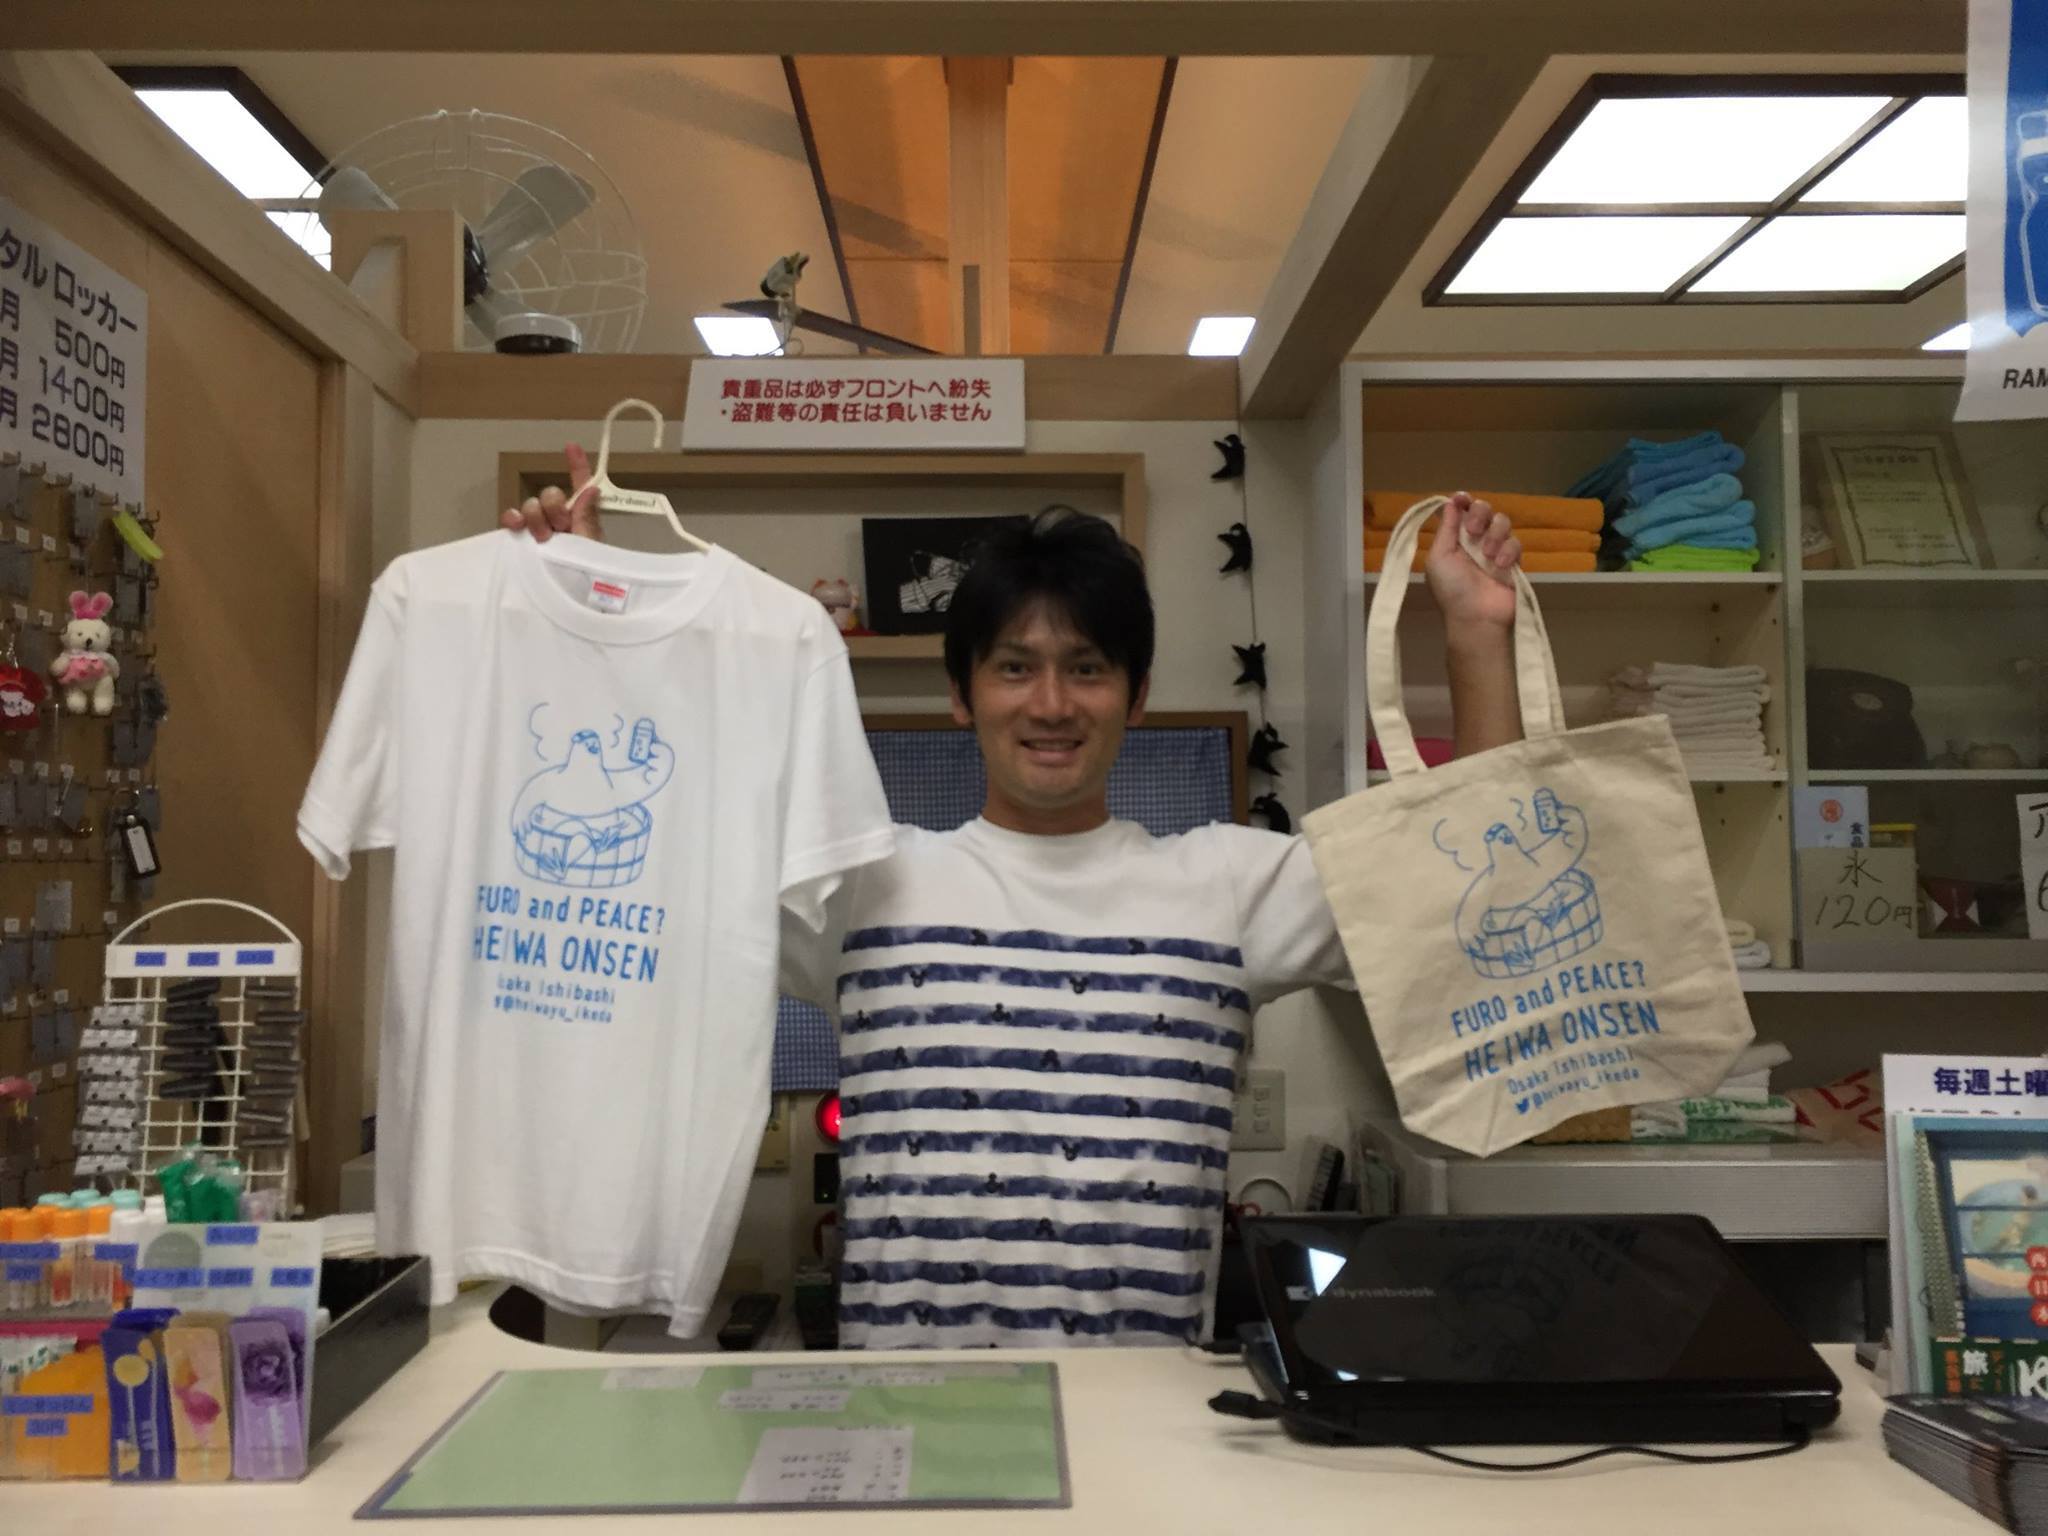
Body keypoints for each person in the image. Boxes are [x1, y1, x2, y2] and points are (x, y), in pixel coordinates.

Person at [502, 456, 1523, 1348]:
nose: (1050, 704)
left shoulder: (1231, 884)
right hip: (905, 1442)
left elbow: (1469, 891)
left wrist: (1477, 638)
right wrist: (584, 627)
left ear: (1135, 694)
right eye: (1014, 668)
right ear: (962, 693)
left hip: (1146, 1448)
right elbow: (627, 859)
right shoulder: (860, 884)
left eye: (1086, 669)